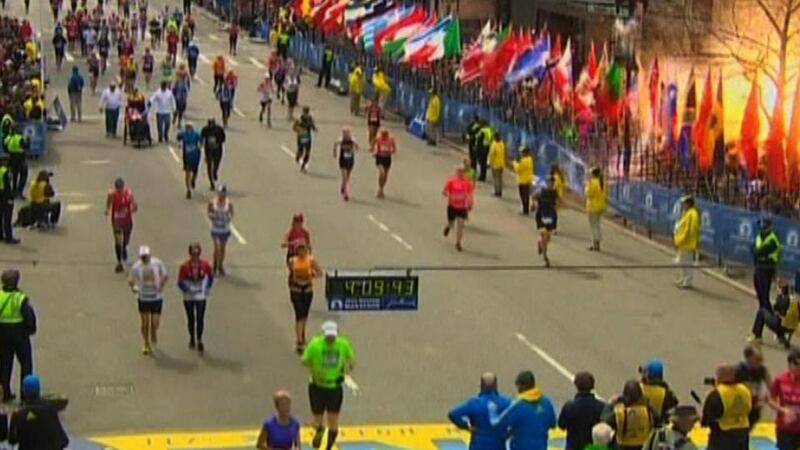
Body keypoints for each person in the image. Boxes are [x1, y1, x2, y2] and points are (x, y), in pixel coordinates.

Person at [302, 321, 355, 450]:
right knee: (316, 420)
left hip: (334, 388)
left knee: (334, 421)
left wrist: (347, 370)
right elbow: (305, 360)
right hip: (317, 386)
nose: (331, 338)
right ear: (323, 334)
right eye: (328, 336)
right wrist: (315, 370)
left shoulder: (343, 344)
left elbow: (351, 359)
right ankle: (319, 431)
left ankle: (329, 447)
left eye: (333, 336)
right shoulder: (315, 345)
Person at [489, 370, 557, 450]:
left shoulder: (518, 405)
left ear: (522, 386)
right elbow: (553, 424)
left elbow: (497, 424)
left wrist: (492, 411)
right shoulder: (546, 401)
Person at [448, 372, 511, 450]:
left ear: (481, 385)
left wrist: (466, 426)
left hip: (478, 445)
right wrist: (510, 432)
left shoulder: (474, 403)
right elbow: (519, 417)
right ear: (496, 385)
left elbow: (453, 414)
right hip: (498, 445)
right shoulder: (506, 402)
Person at [0, 270, 36, 401]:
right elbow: (29, 316)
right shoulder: (20, 298)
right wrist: (30, 330)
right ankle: (26, 395)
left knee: (4, 364)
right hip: (19, 334)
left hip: (3, 334)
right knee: (26, 364)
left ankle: (5, 393)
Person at [8, 375, 68, 449]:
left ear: (24, 391)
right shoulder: (50, 409)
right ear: (39, 390)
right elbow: (63, 440)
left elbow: (12, 440)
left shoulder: (18, 415)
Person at [128, 245, 168, 355]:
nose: (145, 258)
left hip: (156, 296)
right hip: (144, 297)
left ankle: (154, 332)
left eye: (146, 256)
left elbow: (165, 275)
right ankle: (146, 342)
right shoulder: (137, 267)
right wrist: (134, 288)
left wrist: (161, 285)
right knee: (145, 322)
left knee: (154, 322)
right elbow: (131, 279)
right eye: (143, 256)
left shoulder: (157, 263)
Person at [701, 364, 751, 450]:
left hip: (722, 438)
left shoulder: (716, 394)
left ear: (719, 376)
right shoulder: (745, 390)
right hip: (742, 436)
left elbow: (706, 421)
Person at [177, 242, 214, 352]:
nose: (195, 257)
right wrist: (187, 288)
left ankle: (199, 339)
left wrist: (207, 288)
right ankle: (192, 337)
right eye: (193, 254)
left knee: (200, 317)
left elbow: (211, 277)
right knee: (191, 318)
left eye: (197, 254)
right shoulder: (184, 266)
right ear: (190, 254)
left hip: (200, 294)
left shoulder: (205, 265)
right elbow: (180, 281)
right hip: (189, 295)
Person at [558, 371, 607, 450]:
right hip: (592, 446)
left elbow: (561, 425)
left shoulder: (569, 406)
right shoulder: (601, 406)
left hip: (573, 446)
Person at [288, 241, 321, 353]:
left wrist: (311, 274)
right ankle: (299, 340)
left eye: (304, 249)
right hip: (296, 290)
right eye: (300, 249)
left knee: (304, 315)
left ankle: (302, 334)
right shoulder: (293, 261)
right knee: (299, 314)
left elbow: (319, 272)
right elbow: (292, 275)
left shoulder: (311, 260)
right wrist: (298, 277)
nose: (302, 251)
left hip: (307, 290)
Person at [751, 218, 782, 337]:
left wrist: (757, 252)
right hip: (759, 268)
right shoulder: (760, 236)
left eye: (764, 225)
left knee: (764, 301)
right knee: (762, 300)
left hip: (767, 269)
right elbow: (753, 249)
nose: (762, 227)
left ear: (769, 226)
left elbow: (761, 251)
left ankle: (759, 332)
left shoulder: (773, 238)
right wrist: (756, 252)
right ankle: (777, 328)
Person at [602, 380, 654, 450]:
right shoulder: (648, 411)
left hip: (623, 447)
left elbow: (604, 418)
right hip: (644, 446)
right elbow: (658, 420)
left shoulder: (620, 413)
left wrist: (610, 403)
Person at [751, 280, 798, 348]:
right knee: (781, 318)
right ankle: (781, 337)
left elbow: (775, 308)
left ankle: (757, 336)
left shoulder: (783, 298)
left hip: (779, 325)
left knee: (762, 312)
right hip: (792, 327)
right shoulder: (796, 301)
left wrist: (777, 298)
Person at [769, 349, 800, 450]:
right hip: (784, 427)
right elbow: (770, 399)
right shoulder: (780, 380)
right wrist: (783, 410)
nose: (799, 367)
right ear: (790, 364)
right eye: (796, 364)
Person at [105, 177, 138, 273]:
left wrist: (134, 208)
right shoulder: (112, 194)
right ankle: (119, 262)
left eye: (120, 188)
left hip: (127, 221)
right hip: (117, 221)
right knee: (118, 241)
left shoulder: (128, 194)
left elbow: (134, 204)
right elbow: (108, 203)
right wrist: (107, 209)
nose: (119, 190)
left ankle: (124, 249)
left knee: (125, 241)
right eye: (117, 188)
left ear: (123, 187)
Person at [735, 345, 771, 429]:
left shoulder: (762, 370)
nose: (760, 363)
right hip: (740, 405)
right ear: (748, 357)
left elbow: (772, 388)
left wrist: (763, 400)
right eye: (757, 360)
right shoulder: (738, 370)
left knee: (749, 428)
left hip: (754, 405)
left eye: (761, 360)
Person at [443, 165, 474, 252]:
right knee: (452, 223)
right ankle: (448, 227)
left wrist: (470, 203)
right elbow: (444, 192)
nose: (461, 173)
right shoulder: (451, 181)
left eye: (462, 171)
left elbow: (470, 194)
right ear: (456, 172)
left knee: (460, 225)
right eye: (459, 171)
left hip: (462, 207)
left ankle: (458, 243)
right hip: (452, 206)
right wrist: (449, 195)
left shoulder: (467, 183)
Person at [639, 359, 679, 427]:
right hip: (658, 426)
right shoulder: (665, 392)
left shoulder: (639, 389)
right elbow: (674, 405)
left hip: (641, 426)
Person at [673, 195, 700, 289]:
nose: (683, 205)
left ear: (688, 203)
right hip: (683, 242)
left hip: (687, 243)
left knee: (687, 262)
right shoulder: (687, 213)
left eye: (684, 203)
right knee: (682, 262)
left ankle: (688, 281)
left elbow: (691, 229)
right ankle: (684, 278)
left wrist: (685, 239)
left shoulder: (693, 214)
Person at [208, 186, 233, 275]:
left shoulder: (228, 203)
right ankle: (214, 265)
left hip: (224, 229)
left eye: (223, 193)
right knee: (217, 248)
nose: (222, 195)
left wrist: (228, 218)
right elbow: (209, 212)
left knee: (222, 248)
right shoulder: (212, 202)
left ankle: (220, 265)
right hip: (215, 228)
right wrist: (212, 216)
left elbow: (231, 213)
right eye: (220, 193)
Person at [535, 176, 559, 267]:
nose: (550, 184)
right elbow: (533, 196)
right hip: (541, 215)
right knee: (544, 236)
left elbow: (559, 202)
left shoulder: (554, 192)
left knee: (547, 239)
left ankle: (540, 243)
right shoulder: (541, 190)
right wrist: (533, 204)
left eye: (552, 182)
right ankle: (545, 259)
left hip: (550, 216)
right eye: (549, 182)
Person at [177, 122, 202, 199]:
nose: (188, 128)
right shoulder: (183, 134)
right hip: (187, 156)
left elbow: (201, 141)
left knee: (195, 171)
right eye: (187, 127)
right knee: (187, 173)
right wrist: (179, 144)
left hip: (195, 155)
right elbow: (178, 138)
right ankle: (188, 190)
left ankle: (193, 180)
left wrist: (200, 146)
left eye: (189, 127)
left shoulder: (196, 134)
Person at [333, 128, 358, 202]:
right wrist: (334, 151)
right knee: (344, 176)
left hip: (350, 160)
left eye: (347, 133)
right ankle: (346, 194)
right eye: (344, 134)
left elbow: (356, 146)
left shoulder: (352, 140)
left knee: (347, 176)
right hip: (343, 160)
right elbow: (335, 144)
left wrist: (355, 147)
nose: (346, 135)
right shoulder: (341, 140)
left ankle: (343, 186)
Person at [585, 167, 607, 252]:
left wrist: (586, 187)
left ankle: (595, 243)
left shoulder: (591, 183)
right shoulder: (603, 182)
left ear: (593, 174)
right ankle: (597, 243)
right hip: (601, 205)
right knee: (597, 224)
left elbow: (588, 194)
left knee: (593, 226)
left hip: (592, 206)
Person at [201, 118, 226, 191]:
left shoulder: (219, 129)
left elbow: (223, 139)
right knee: (209, 166)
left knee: (216, 163)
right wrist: (201, 143)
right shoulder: (205, 129)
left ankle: (215, 171)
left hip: (218, 149)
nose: (211, 125)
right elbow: (202, 138)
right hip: (208, 150)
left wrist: (217, 143)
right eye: (209, 123)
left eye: (212, 124)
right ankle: (211, 183)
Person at [4, 126, 29, 199]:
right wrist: (27, 141)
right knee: (23, 175)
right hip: (20, 159)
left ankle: (13, 192)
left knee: (14, 176)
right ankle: (19, 192)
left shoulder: (8, 138)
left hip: (12, 159)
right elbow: (25, 147)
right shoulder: (20, 138)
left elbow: (5, 147)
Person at [372, 129, 396, 199]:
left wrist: (390, 151)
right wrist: (374, 151)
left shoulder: (391, 139)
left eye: (385, 135)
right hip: (379, 158)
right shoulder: (378, 138)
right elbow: (373, 144)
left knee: (385, 175)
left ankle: (381, 189)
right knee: (381, 173)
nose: (384, 136)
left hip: (387, 158)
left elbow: (394, 149)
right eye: (383, 134)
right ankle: (380, 189)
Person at [0, 155, 18, 244]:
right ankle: (9, 237)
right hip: (5, 195)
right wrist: (11, 197)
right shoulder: (5, 172)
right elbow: (8, 186)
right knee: (7, 217)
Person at [293, 107, 317, 173]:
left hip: (308, 137)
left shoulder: (310, 118)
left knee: (307, 152)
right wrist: (301, 131)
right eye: (305, 112)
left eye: (307, 112)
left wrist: (314, 129)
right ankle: (298, 155)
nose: (306, 113)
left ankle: (303, 165)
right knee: (301, 150)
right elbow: (294, 127)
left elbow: (312, 125)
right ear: (303, 111)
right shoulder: (299, 118)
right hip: (301, 136)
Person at [513, 147, 534, 215]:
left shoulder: (524, 161)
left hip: (522, 180)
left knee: (523, 195)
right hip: (528, 179)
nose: (521, 154)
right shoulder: (530, 159)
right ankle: (526, 209)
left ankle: (525, 210)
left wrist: (515, 162)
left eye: (522, 152)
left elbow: (518, 169)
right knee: (526, 195)